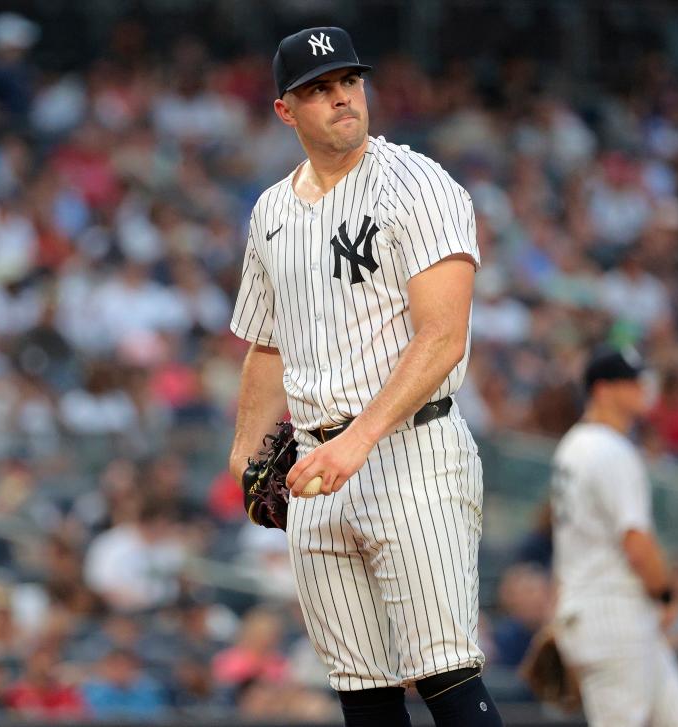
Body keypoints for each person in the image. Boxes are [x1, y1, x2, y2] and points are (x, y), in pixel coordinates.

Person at [227, 26, 502, 727]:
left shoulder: (418, 183)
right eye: (319, 89)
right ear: (286, 110)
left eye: (348, 81)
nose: (342, 97)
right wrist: (246, 450)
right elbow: (265, 342)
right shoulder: (270, 212)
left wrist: (358, 439)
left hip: (412, 451)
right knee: (362, 694)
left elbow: (442, 337)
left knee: (446, 675)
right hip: (315, 467)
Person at [549, 345, 678, 726]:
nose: (641, 388)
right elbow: (637, 545)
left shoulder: (573, 445)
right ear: (602, 390)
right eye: (630, 382)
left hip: (606, 610)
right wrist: (666, 593)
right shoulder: (610, 450)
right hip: (613, 613)